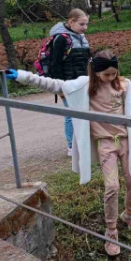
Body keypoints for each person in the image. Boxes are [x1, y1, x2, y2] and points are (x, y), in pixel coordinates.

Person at [6, 50, 131, 256]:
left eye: (114, 73)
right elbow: (53, 84)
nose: (111, 78)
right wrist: (21, 75)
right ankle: (111, 231)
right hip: (105, 144)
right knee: (112, 187)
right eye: (107, 74)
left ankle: (129, 215)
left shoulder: (124, 85)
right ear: (96, 72)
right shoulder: (84, 86)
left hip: (125, 141)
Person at [49, 9, 91, 157]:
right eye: (81, 24)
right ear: (71, 21)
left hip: (82, 82)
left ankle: (83, 143)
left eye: (86, 24)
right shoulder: (61, 39)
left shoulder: (81, 37)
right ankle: (71, 146)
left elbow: (86, 61)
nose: (84, 27)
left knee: (84, 112)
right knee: (71, 115)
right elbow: (55, 64)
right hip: (67, 84)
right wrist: (60, 88)